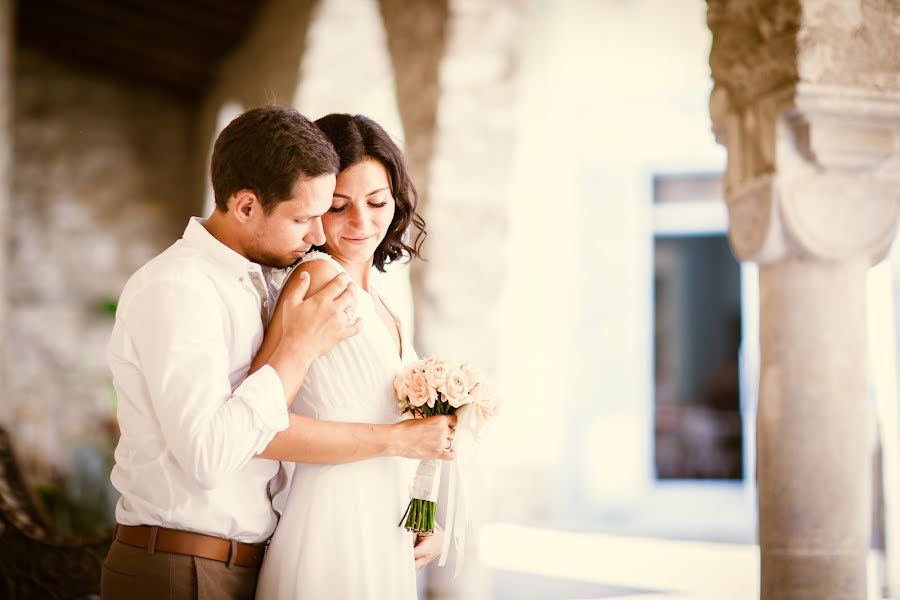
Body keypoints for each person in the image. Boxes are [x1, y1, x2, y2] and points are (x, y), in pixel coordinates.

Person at [101, 106, 456, 600]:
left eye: (378, 201)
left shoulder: (258, 282)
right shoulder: (181, 288)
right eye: (312, 215)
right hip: (183, 564)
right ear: (246, 206)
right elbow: (215, 452)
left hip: (251, 553)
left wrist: (413, 510)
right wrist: (301, 350)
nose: (316, 236)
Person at [255, 113, 440, 599]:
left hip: (384, 525)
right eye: (339, 206)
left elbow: (410, 442)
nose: (362, 222)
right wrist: (400, 440)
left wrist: (424, 516)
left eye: (377, 202)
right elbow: (262, 427)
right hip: (332, 524)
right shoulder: (315, 280)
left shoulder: (382, 304)